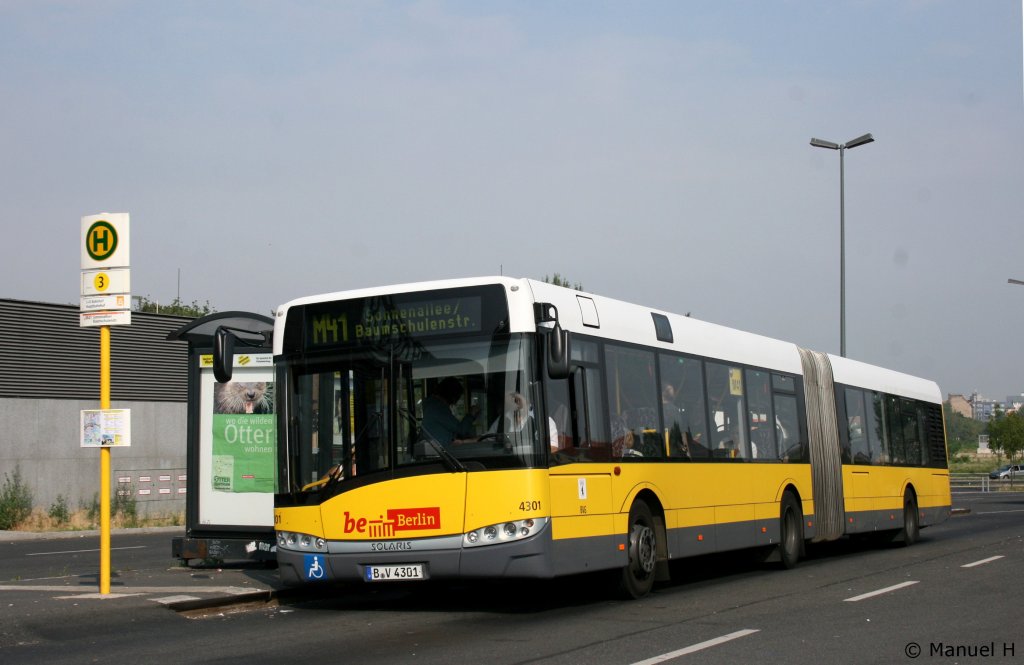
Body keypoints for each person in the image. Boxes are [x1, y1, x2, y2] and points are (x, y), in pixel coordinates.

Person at [420, 377, 479, 447]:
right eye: (456, 399)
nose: (454, 403)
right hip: (442, 452)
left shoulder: (431, 406)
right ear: (451, 396)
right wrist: (471, 414)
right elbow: (461, 429)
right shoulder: (437, 408)